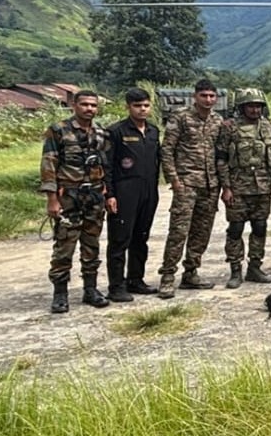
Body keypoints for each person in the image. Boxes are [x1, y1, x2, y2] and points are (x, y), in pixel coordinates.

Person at [40, 89, 111, 313]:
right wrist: (52, 199)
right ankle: (60, 293)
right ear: (74, 105)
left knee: (92, 245)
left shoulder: (101, 133)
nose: (89, 109)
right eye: (85, 104)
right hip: (69, 196)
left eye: (93, 105)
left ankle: (90, 289)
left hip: (94, 196)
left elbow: (105, 165)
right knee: (64, 246)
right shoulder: (59, 130)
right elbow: (49, 164)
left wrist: (107, 194)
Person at [158, 79, 224, 298]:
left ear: (216, 98)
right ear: (195, 96)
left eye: (211, 96)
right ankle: (167, 277)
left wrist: (222, 183)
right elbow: (167, 150)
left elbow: (220, 154)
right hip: (186, 183)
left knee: (201, 231)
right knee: (178, 231)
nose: (208, 99)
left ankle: (191, 273)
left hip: (210, 184)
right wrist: (174, 180)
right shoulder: (181, 117)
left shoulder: (218, 120)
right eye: (203, 95)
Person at [216, 88, 271, 289]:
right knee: (236, 228)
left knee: (260, 227)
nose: (255, 110)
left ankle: (255, 267)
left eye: (258, 106)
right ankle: (235, 270)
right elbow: (222, 159)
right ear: (242, 107)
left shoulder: (269, 127)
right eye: (250, 106)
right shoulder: (229, 128)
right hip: (238, 186)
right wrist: (226, 187)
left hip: (262, 186)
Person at [104, 87, 161, 302]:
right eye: (137, 106)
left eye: (146, 105)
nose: (142, 110)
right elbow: (107, 166)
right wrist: (109, 194)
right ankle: (116, 286)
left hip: (148, 191)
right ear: (127, 107)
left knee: (141, 237)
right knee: (120, 239)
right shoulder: (116, 131)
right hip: (124, 191)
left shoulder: (153, 131)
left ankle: (135, 279)